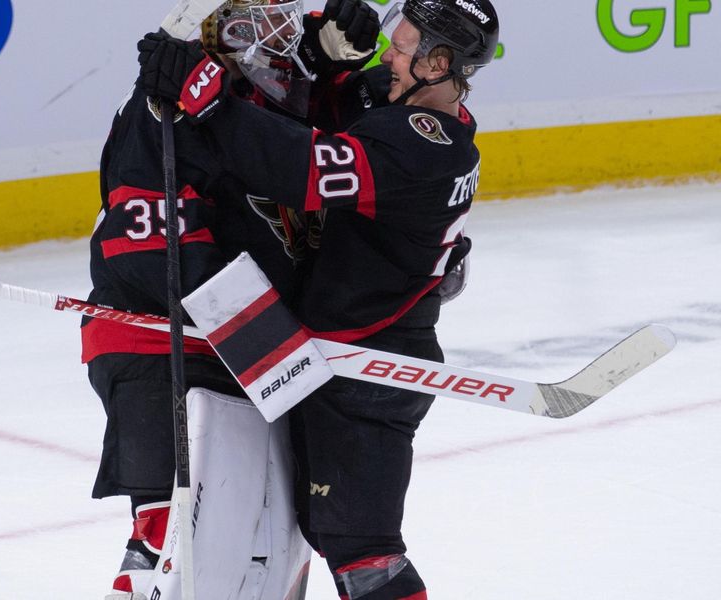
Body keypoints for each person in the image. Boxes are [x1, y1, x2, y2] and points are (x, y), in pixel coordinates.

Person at [136, 0, 499, 597]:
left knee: (366, 554)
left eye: (405, 48)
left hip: (373, 368)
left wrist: (203, 94)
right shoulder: (418, 109)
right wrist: (321, 51)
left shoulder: (423, 141)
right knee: (325, 530)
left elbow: (301, 165)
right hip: (343, 359)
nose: (391, 56)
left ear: (439, 64)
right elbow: (339, 102)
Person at [82, 0, 380, 597]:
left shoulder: (260, 93)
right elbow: (146, 254)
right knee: (173, 542)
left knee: (272, 558)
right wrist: (273, 342)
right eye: (250, 24)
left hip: (251, 357)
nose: (278, 37)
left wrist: (338, 63)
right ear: (209, 36)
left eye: (282, 22)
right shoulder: (161, 107)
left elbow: (325, 153)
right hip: (163, 347)